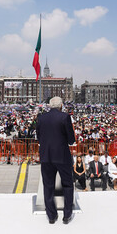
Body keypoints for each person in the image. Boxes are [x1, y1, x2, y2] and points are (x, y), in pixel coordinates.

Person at [36, 96, 76, 224]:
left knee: (48, 186)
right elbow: (71, 139)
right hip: (62, 156)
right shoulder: (64, 117)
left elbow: (39, 137)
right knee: (68, 185)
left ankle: (52, 216)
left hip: (46, 156)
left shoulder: (41, 118)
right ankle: (67, 215)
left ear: (49, 105)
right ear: (61, 106)